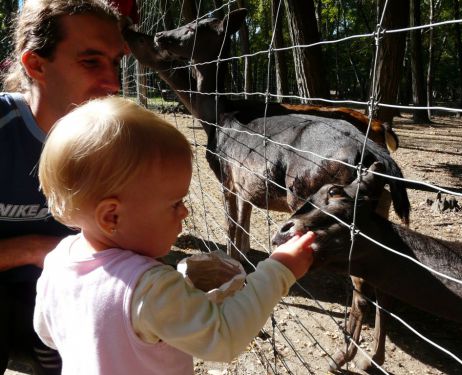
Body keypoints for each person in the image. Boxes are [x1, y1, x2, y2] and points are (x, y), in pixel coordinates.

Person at [33, 96, 316, 375]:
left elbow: (46, 332)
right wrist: (280, 269)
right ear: (112, 217)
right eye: (175, 203)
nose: (185, 212)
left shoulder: (57, 260)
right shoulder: (149, 288)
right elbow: (224, 337)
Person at [0, 1, 127, 373]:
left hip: (56, 296)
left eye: (116, 62)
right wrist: (34, 248)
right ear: (36, 65)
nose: (114, 84)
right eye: (91, 61)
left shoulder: (114, 145)